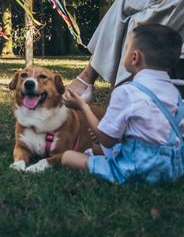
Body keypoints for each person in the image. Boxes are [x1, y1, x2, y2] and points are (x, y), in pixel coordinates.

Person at [61, 24, 184, 185]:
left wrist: (82, 107)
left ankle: (112, 170)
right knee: (97, 149)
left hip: (136, 168)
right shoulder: (174, 93)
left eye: (125, 49)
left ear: (135, 57)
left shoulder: (126, 92)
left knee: (68, 157)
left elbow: (107, 140)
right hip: (171, 170)